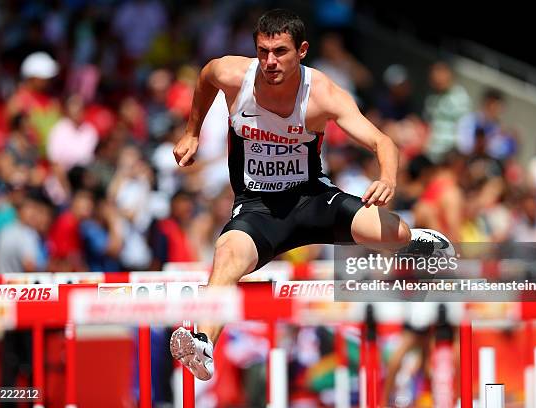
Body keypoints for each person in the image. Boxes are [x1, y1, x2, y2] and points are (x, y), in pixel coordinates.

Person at [170, 9, 455, 381]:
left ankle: (420, 243)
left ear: (302, 50)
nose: (270, 61)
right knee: (225, 257)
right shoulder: (233, 74)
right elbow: (206, 76)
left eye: (280, 52)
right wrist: (192, 131)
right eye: (263, 51)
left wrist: (387, 178)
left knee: (393, 233)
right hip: (258, 208)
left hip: (313, 200)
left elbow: (382, 141)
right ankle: (203, 343)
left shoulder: (322, 94)